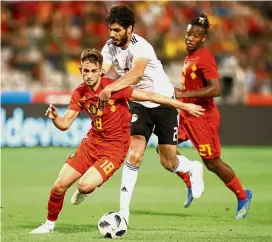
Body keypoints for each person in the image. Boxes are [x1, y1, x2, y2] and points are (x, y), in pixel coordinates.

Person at [29, 48, 204, 234]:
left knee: (84, 185)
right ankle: (48, 225)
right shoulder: (79, 93)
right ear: (80, 70)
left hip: (114, 150)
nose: (89, 75)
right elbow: (65, 124)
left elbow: (151, 96)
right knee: (59, 185)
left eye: (93, 71)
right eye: (85, 71)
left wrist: (182, 105)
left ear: (100, 71)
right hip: (91, 144)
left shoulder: (115, 88)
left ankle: (84, 191)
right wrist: (55, 118)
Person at [94, 5, 204, 224]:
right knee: (134, 154)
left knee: (168, 161)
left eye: (117, 30)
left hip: (163, 101)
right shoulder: (109, 47)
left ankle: (192, 167)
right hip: (139, 103)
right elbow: (102, 70)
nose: (112, 34)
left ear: (129, 29)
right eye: (110, 30)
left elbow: (135, 75)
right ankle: (123, 213)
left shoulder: (141, 47)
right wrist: (93, 78)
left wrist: (111, 88)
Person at [174, 14, 252, 219]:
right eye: (189, 33)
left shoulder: (204, 58)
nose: (190, 37)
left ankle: (243, 195)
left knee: (212, 163)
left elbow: (216, 89)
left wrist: (185, 94)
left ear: (203, 38)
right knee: (166, 148)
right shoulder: (190, 56)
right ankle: (190, 181)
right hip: (187, 112)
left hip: (202, 117)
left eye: (196, 35)